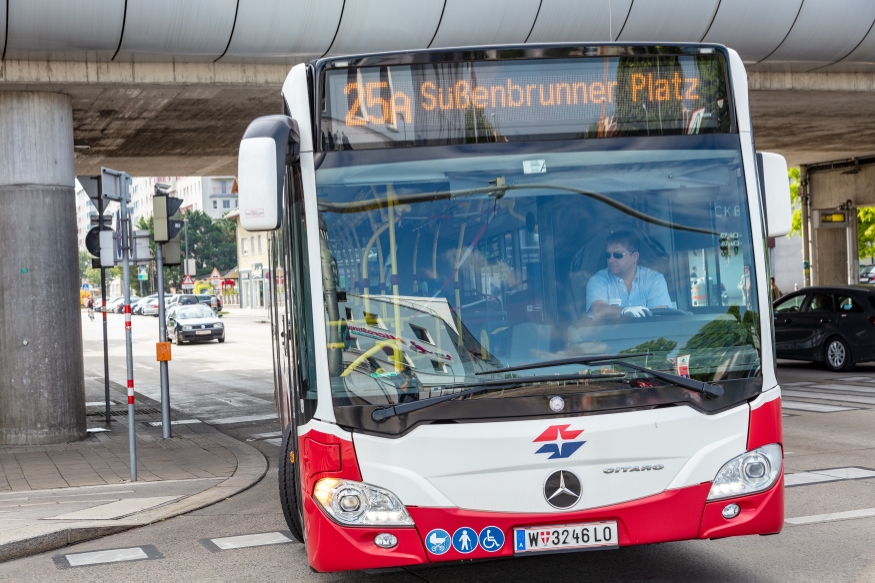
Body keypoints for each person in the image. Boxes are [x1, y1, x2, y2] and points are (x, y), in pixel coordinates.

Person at [586, 230, 672, 319]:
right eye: (608, 255)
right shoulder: (598, 280)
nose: (610, 260)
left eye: (618, 255)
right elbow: (598, 310)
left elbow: (660, 317)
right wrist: (624, 311)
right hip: (611, 333)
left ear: (634, 256)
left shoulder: (654, 279)